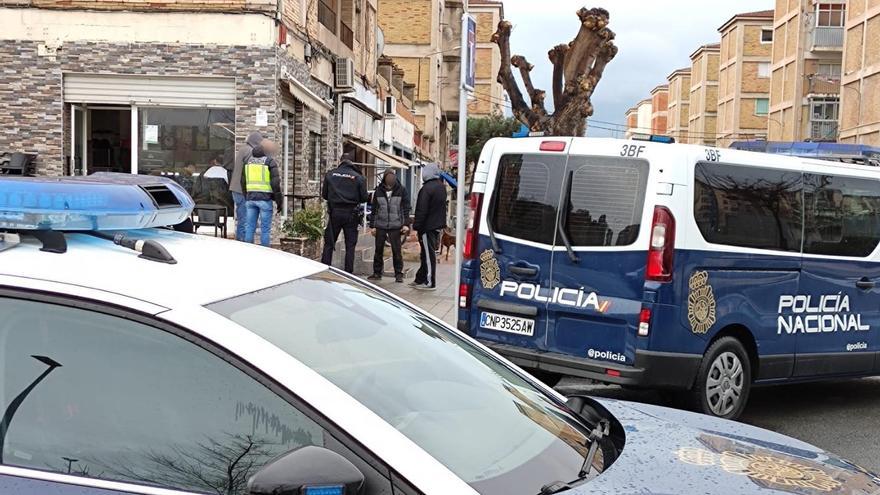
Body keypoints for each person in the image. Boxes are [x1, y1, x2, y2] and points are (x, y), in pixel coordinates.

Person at [320, 152, 368, 273]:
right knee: (350, 246)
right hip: (351, 214)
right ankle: (348, 272)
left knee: (329, 243)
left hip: (334, 213)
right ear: (352, 162)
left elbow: (324, 195)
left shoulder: (330, 174)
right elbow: (364, 198)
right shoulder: (358, 177)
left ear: (340, 160)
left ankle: (324, 269)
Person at [368, 170, 411, 283]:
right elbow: (374, 209)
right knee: (378, 250)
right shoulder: (378, 191)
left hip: (396, 225)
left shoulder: (401, 190)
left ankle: (398, 274)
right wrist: (372, 226)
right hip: (381, 224)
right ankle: (377, 273)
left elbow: (406, 208)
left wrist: (406, 224)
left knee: (396, 250)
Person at [411, 163, 447, 291]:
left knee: (428, 254)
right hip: (437, 226)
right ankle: (420, 278)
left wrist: (417, 226)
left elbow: (421, 210)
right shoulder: (441, 187)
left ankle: (430, 281)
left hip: (427, 227)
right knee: (425, 253)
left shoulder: (426, 189)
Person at [242, 139, 282, 247]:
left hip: (250, 199)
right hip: (265, 199)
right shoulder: (269, 162)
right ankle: (265, 253)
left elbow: (243, 182)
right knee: (265, 229)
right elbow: (275, 183)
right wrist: (279, 202)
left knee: (249, 227)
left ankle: (247, 250)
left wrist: (246, 195)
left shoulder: (247, 163)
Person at [230, 132, 264, 241]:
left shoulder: (243, 149)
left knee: (242, 219)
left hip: (236, 189)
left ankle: (243, 243)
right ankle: (244, 245)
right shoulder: (250, 151)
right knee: (245, 220)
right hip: (242, 190)